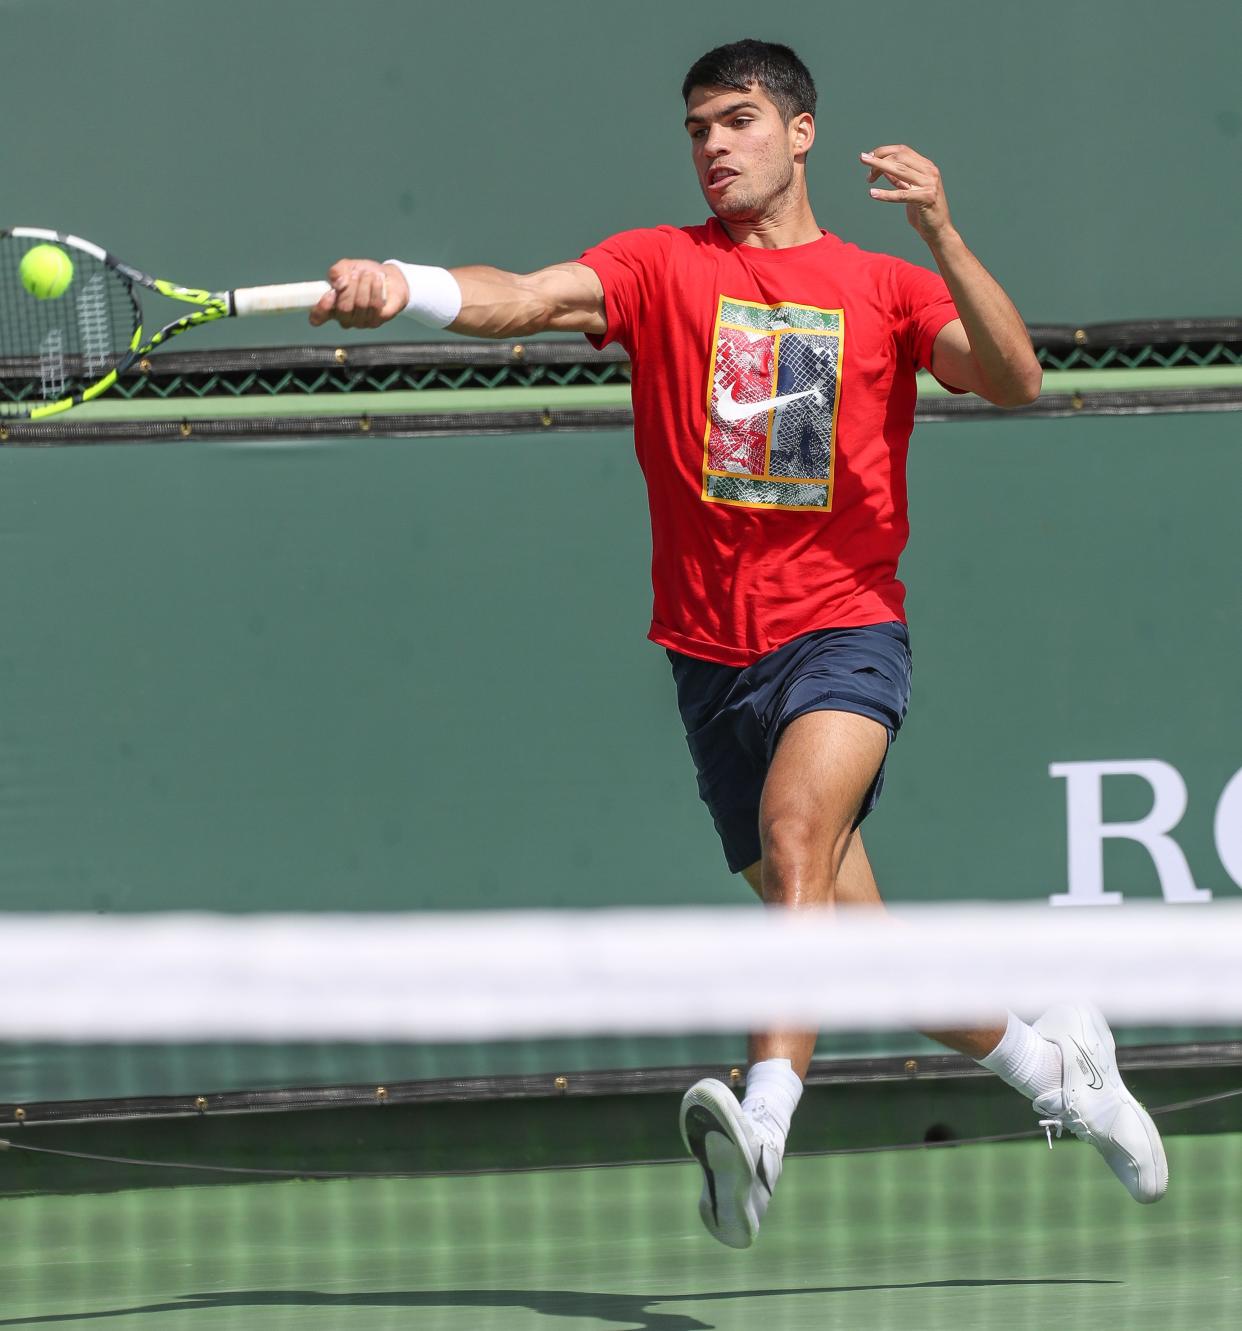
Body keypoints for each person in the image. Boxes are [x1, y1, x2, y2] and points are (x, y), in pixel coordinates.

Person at [311, 38, 1167, 1248]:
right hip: (710, 659)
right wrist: (407, 283)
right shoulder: (660, 266)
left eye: (738, 120)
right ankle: (1057, 1065)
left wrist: (942, 234)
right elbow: (528, 295)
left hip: (845, 629)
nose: (714, 143)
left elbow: (1016, 376)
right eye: (697, 128)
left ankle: (763, 1120)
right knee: (848, 943)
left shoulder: (882, 284)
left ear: (800, 132)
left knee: (795, 834)